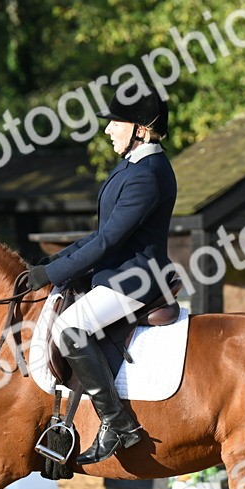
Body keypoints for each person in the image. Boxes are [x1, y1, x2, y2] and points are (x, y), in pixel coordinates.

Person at [25, 86, 178, 464]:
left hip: (135, 279)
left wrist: (54, 271)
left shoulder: (148, 175)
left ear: (141, 128)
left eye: (116, 123)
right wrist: (49, 266)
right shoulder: (133, 166)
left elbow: (109, 241)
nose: (109, 130)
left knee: (69, 328)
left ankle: (117, 423)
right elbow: (99, 233)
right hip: (120, 272)